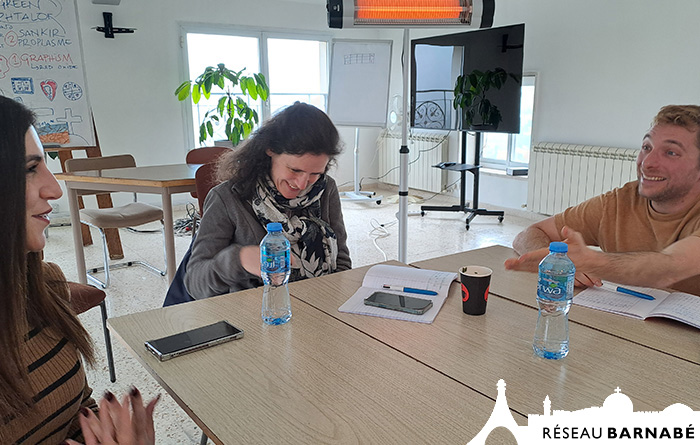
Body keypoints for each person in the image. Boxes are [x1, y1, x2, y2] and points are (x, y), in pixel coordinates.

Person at [0, 96, 159, 444]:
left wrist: (111, 434)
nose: (54, 188)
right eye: (29, 169)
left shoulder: (43, 286)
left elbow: (75, 411)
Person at [505, 104, 700, 296]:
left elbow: (670, 268)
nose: (647, 163)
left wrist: (591, 262)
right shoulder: (618, 202)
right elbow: (529, 234)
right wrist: (555, 263)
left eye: (671, 153)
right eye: (646, 147)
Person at [184, 102, 352, 299]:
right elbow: (195, 283)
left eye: (315, 173)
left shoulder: (325, 188)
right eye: (294, 170)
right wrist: (238, 260)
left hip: (318, 303)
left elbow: (341, 262)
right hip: (256, 309)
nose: (302, 184)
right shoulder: (227, 198)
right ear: (270, 150)